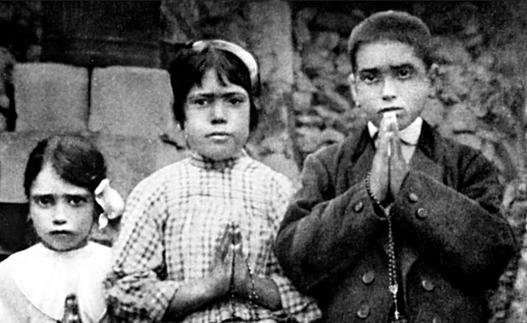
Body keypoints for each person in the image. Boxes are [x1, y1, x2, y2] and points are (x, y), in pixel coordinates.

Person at [274, 10, 517, 323]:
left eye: (403, 73)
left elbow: (491, 257)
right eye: (371, 77)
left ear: (432, 79)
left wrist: (410, 188)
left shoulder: (467, 164)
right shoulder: (326, 165)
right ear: (354, 89)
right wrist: (368, 193)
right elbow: (297, 260)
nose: (388, 92)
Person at [104, 39, 321, 323]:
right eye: (201, 101)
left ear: (252, 112)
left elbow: (311, 294)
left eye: (233, 100)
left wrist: (247, 284)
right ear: (181, 116)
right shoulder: (157, 191)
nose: (218, 116)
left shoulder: (277, 190)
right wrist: (210, 287)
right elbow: (124, 294)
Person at [0, 135, 124, 323]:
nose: (59, 217)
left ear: (96, 204)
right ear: (29, 203)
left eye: (75, 201)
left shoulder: (120, 269)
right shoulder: (6, 276)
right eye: (45, 201)